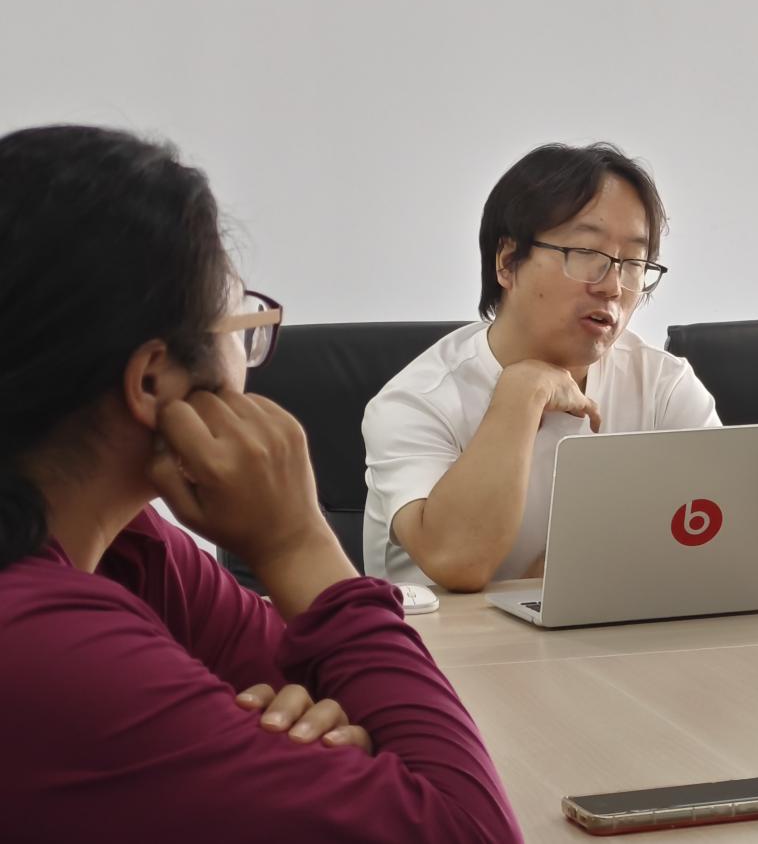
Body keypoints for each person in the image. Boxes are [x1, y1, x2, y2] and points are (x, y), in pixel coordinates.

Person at [0, 125, 523, 842]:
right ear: (152, 381)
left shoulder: (126, 544)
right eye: (242, 321)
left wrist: (311, 741)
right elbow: (472, 830)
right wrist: (298, 541)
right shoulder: (44, 642)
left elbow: (337, 694)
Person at [362, 143, 720, 592]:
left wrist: (568, 566)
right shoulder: (416, 402)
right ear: (507, 262)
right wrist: (522, 392)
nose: (613, 286)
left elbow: (726, 542)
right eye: (586, 252)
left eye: (633, 263)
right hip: (435, 637)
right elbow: (456, 561)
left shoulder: (663, 387)